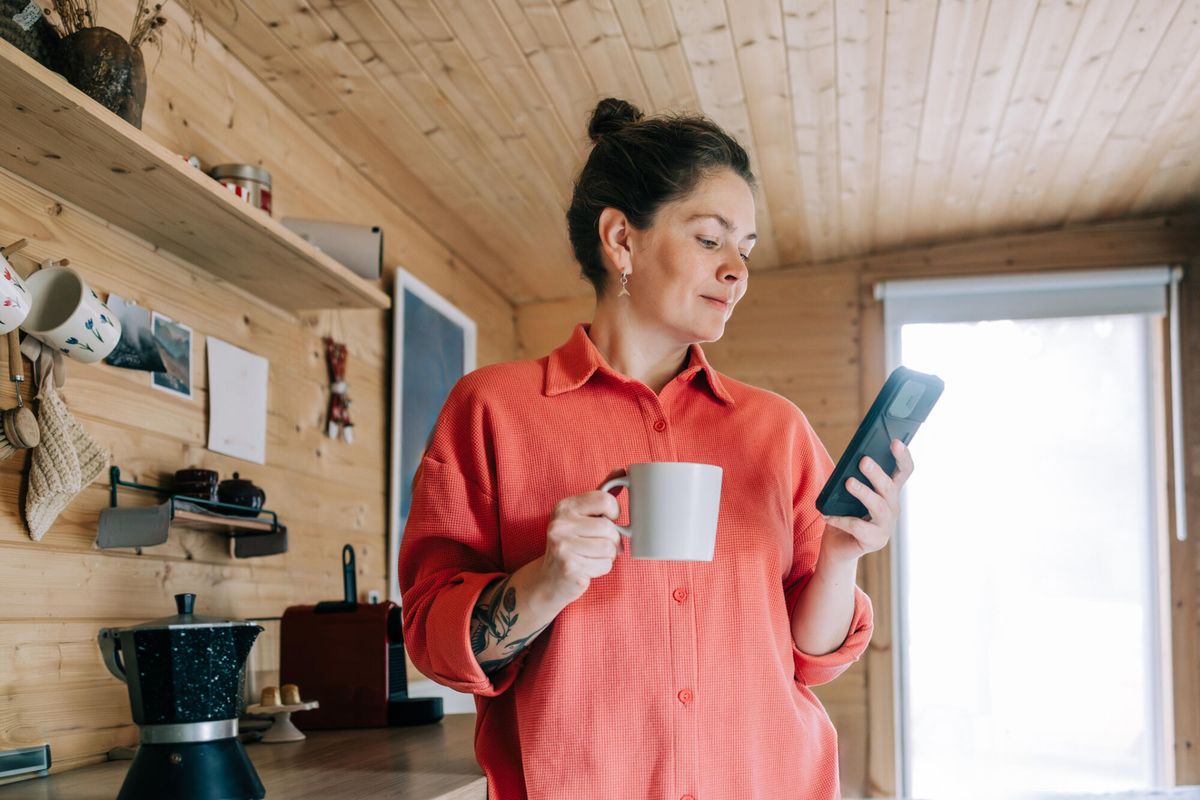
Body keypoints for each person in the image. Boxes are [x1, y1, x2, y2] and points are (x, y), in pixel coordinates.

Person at [398, 97, 914, 800]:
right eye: (710, 240)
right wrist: (548, 579)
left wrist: (841, 558)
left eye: (747, 249)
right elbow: (433, 641)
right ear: (621, 241)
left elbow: (812, 660)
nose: (738, 270)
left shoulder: (777, 429)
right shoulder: (493, 410)